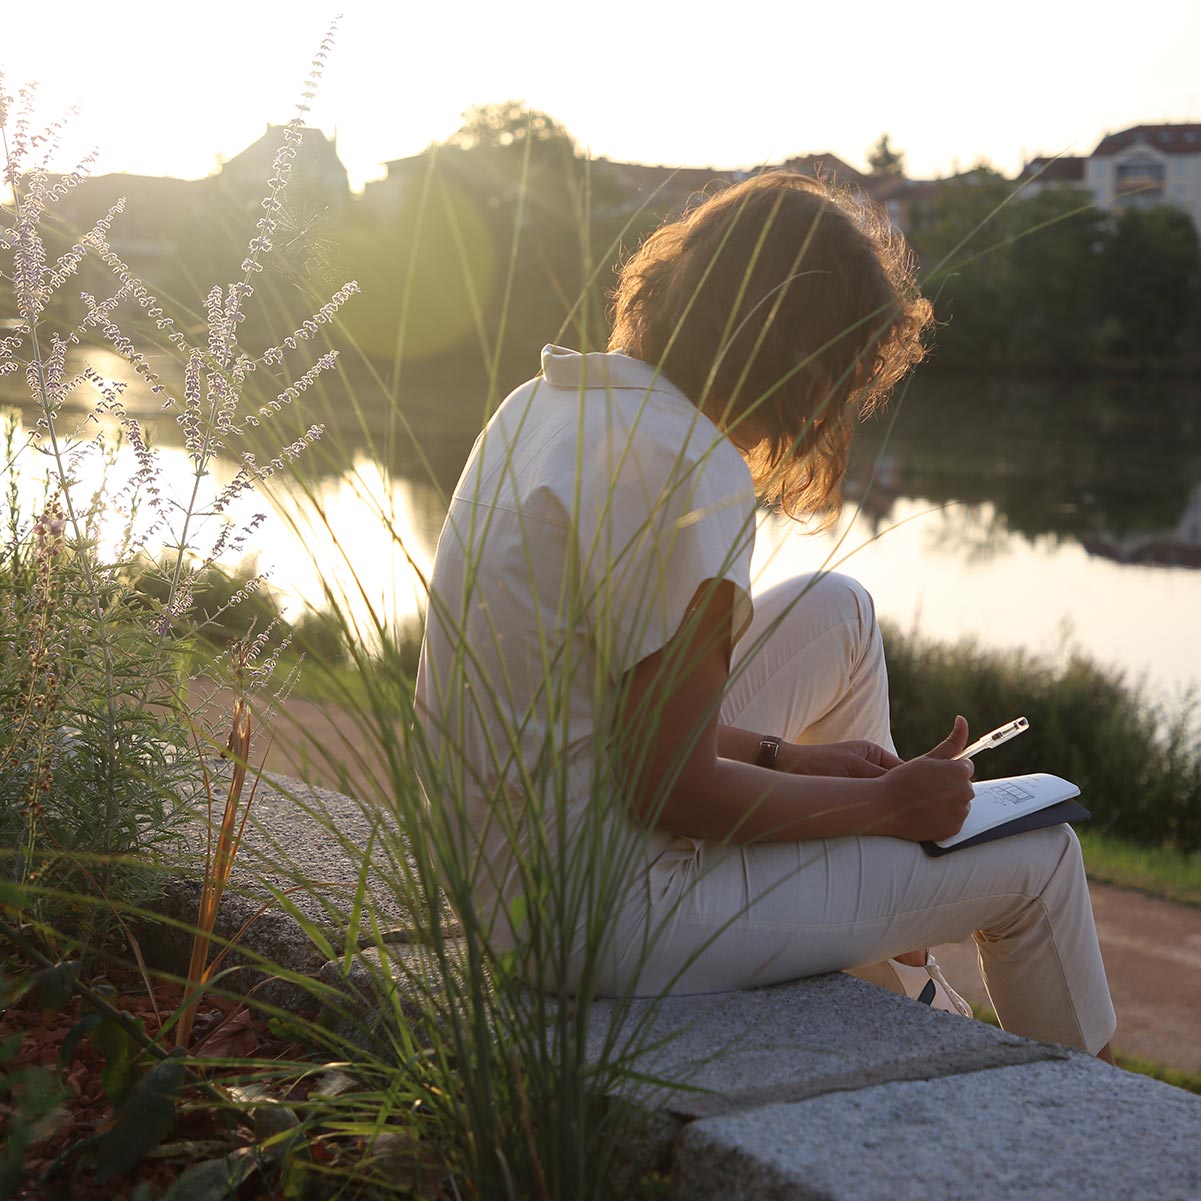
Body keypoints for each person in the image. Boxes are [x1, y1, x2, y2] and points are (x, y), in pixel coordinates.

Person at [415, 172, 1116, 1060]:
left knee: (837, 612)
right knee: (1042, 857)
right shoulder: (688, 469)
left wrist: (808, 764)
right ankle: (1098, 1143)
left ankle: (891, 970)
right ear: (805, 358)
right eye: (845, 375)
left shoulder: (543, 405)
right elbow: (674, 789)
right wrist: (882, 805)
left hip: (504, 877)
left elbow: (615, 714)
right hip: (601, 916)